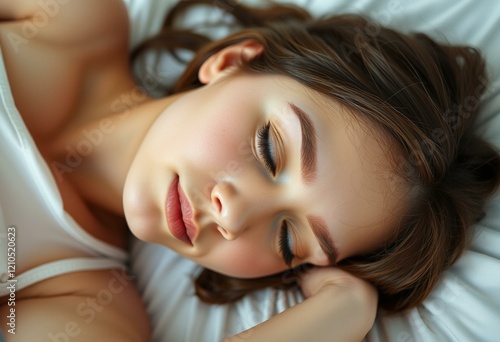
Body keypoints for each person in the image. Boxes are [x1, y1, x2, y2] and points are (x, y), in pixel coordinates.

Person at [0, 1, 498, 341]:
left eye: (287, 239)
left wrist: (342, 312)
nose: (234, 216)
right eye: (269, 150)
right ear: (232, 61)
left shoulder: (81, 303)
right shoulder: (72, 21)